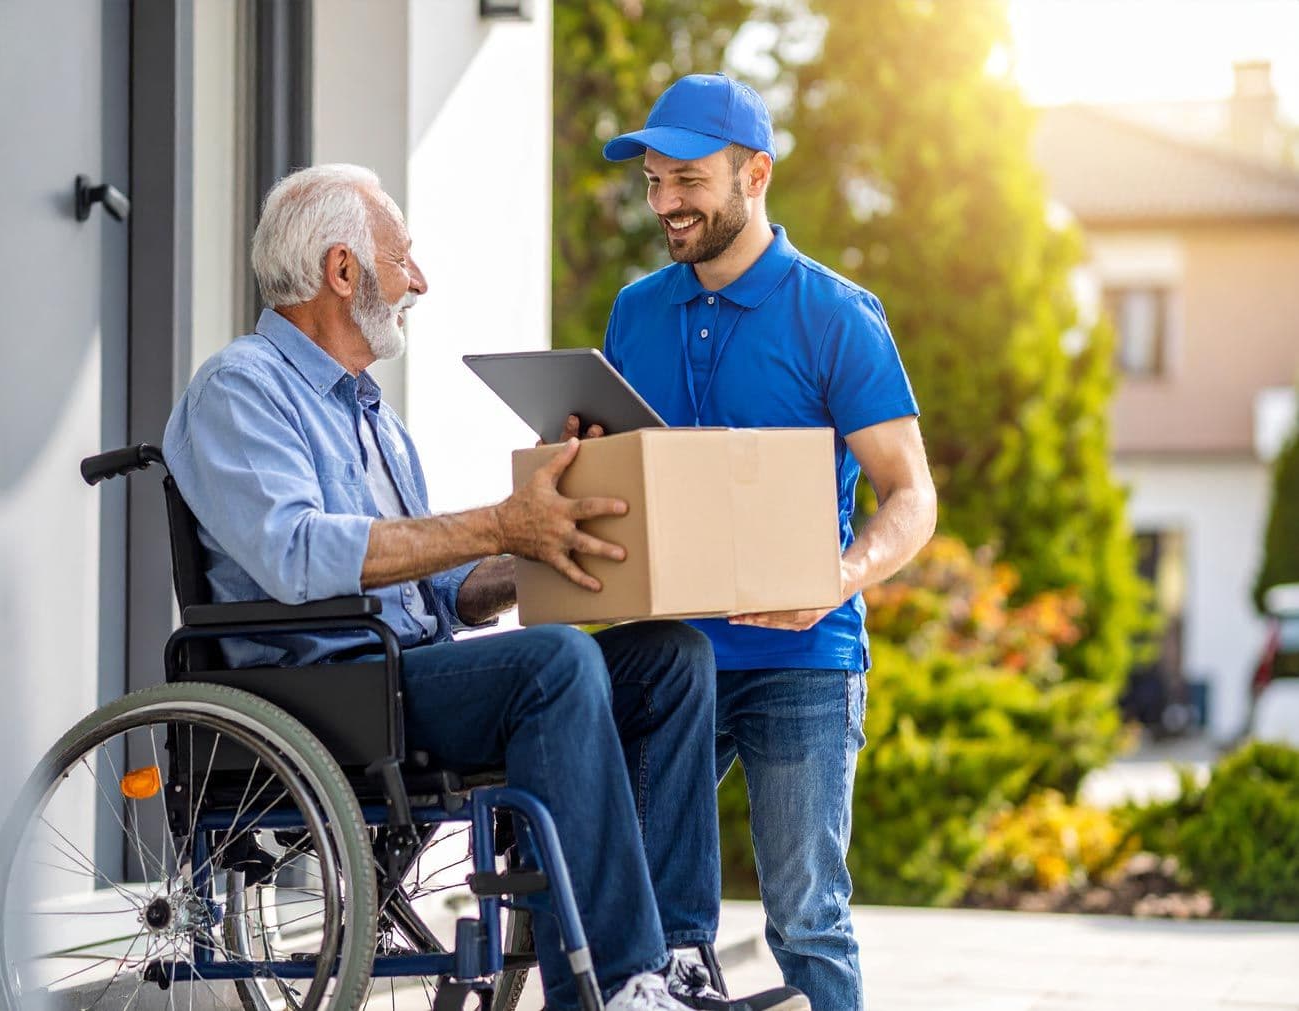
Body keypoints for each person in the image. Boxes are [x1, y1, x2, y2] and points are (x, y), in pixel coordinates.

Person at [162, 164, 806, 1011]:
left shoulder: (374, 419)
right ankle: (621, 988)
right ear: (343, 271)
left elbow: (445, 587)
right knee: (556, 664)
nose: (418, 282)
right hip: (320, 693)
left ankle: (679, 960)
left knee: (671, 655)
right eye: (403, 260)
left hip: (403, 675)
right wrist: (501, 523)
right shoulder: (239, 387)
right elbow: (295, 553)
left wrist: (571, 540)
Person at [598, 74, 939, 1011]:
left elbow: (913, 495)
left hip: (803, 656)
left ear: (756, 173)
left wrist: (839, 578)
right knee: (654, 926)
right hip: (670, 663)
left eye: (688, 180)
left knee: (807, 918)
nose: (665, 202)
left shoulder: (834, 313)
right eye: (654, 181)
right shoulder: (636, 312)